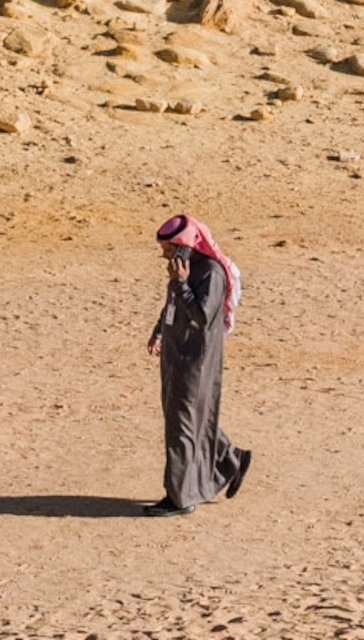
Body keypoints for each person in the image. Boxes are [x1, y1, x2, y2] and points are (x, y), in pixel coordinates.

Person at [145, 212, 249, 511]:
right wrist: (159, 332)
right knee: (187, 419)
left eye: (168, 248)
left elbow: (202, 316)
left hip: (196, 360)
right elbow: (173, 305)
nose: (164, 255)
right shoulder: (184, 268)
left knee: (183, 424)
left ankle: (180, 497)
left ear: (185, 245)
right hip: (176, 353)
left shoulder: (211, 273)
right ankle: (230, 459)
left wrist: (180, 282)